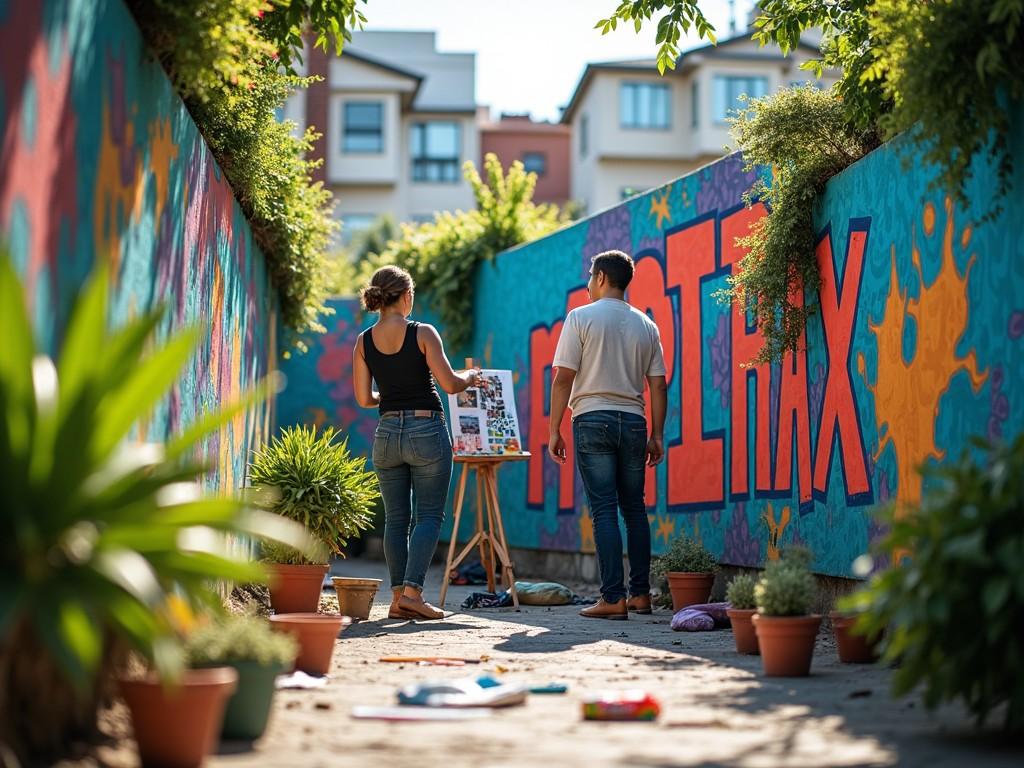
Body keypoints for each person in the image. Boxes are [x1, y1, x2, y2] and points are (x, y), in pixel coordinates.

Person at [353, 265, 481, 620]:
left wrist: (392, 397)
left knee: (396, 519)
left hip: (386, 434)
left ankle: (397, 597)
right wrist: (471, 375)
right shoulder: (422, 332)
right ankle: (413, 593)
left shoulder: (363, 341)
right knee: (428, 515)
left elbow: (364, 398)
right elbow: (451, 384)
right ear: (406, 296)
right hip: (426, 431)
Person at [548, 250, 668, 620]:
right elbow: (659, 386)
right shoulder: (647, 325)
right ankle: (641, 595)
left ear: (601, 277)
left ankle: (612, 598)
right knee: (634, 508)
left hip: (592, 419)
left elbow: (563, 377)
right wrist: (658, 435)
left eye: (589, 275)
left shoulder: (579, 318)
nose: (587, 282)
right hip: (634, 422)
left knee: (603, 510)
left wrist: (553, 428)